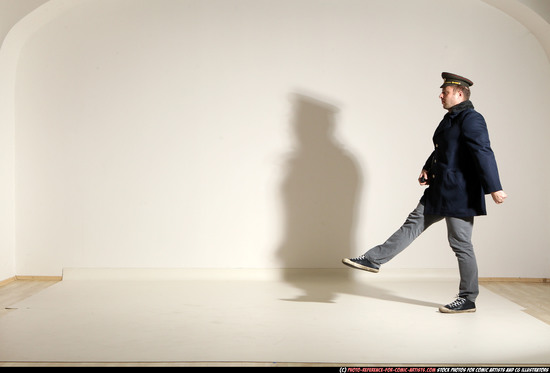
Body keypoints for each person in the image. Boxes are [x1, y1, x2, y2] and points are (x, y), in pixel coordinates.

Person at [342, 72, 507, 313]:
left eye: (446, 92)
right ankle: (373, 260)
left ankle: (468, 298)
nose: (441, 95)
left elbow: (483, 151)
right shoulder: (450, 118)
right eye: (442, 91)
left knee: (460, 243)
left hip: (460, 192)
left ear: (459, 93)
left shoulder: (472, 118)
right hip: (440, 188)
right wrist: (428, 167)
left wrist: (494, 187)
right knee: (412, 224)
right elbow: (443, 149)